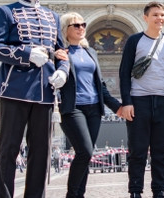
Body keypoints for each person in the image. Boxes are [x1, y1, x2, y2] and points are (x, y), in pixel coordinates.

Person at [0, 0, 70, 198]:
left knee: (41, 152)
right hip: (14, 89)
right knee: (8, 150)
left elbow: (61, 53)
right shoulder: (6, 12)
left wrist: (63, 72)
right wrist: (26, 53)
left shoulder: (52, 17)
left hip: (44, 92)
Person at [119, 1, 164, 198]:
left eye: (162, 15)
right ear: (145, 18)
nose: (160, 18)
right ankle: (136, 191)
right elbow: (124, 73)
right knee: (137, 150)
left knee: (161, 151)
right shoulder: (134, 40)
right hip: (139, 101)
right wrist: (127, 102)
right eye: (155, 15)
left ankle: (159, 191)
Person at [57, 12, 122, 198]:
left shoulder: (90, 52)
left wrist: (117, 106)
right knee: (84, 151)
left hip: (94, 108)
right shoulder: (61, 52)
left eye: (83, 24)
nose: (81, 28)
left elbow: (100, 85)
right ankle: (72, 195)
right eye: (75, 25)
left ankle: (80, 194)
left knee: (86, 154)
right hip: (73, 107)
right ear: (65, 29)